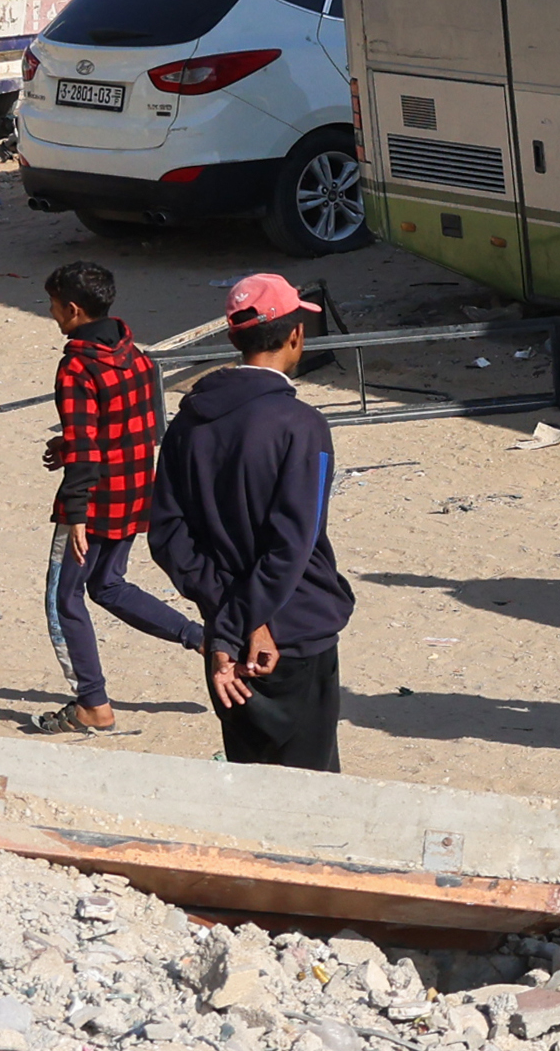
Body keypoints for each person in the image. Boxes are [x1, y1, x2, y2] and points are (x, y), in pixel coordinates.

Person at [146, 271, 348, 767]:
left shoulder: (189, 421)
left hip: (228, 643)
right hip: (293, 634)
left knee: (250, 783)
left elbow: (168, 535)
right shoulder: (300, 425)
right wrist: (246, 623)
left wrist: (226, 625)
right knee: (309, 786)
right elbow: (292, 543)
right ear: (296, 336)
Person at [32, 256, 200, 740]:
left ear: (72, 309)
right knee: (107, 585)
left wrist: (77, 510)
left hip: (93, 501)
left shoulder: (77, 367)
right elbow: (137, 426)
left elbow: (87, 447)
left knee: (65, 599)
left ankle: (93, 705)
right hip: (133, 492)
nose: (51, 314)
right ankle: (202, 639)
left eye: (53, 307)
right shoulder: (139, 357)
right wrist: (67, 447)